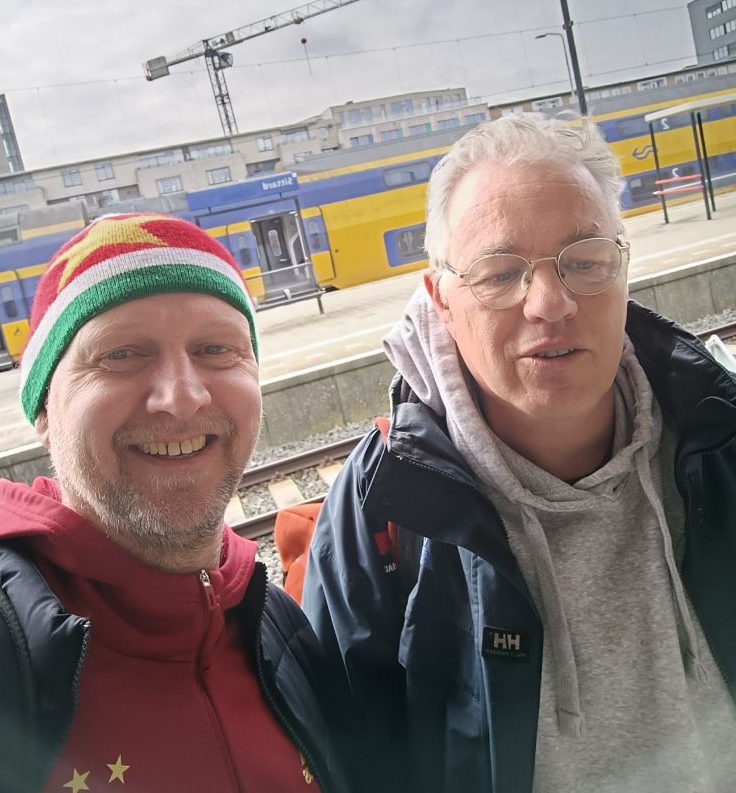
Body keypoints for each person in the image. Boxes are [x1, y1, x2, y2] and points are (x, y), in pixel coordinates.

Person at [302, 113, 736, 793]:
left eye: (584, 261)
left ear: (623, 268)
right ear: (440, 301)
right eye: (501, 274)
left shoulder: (719, 435)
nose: (550, 302)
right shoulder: (381, 510)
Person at [0, 212, 354, 793]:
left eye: (215, 348)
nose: (182, 398)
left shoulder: (277, 626)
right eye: (121, 355)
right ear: (43, 413)